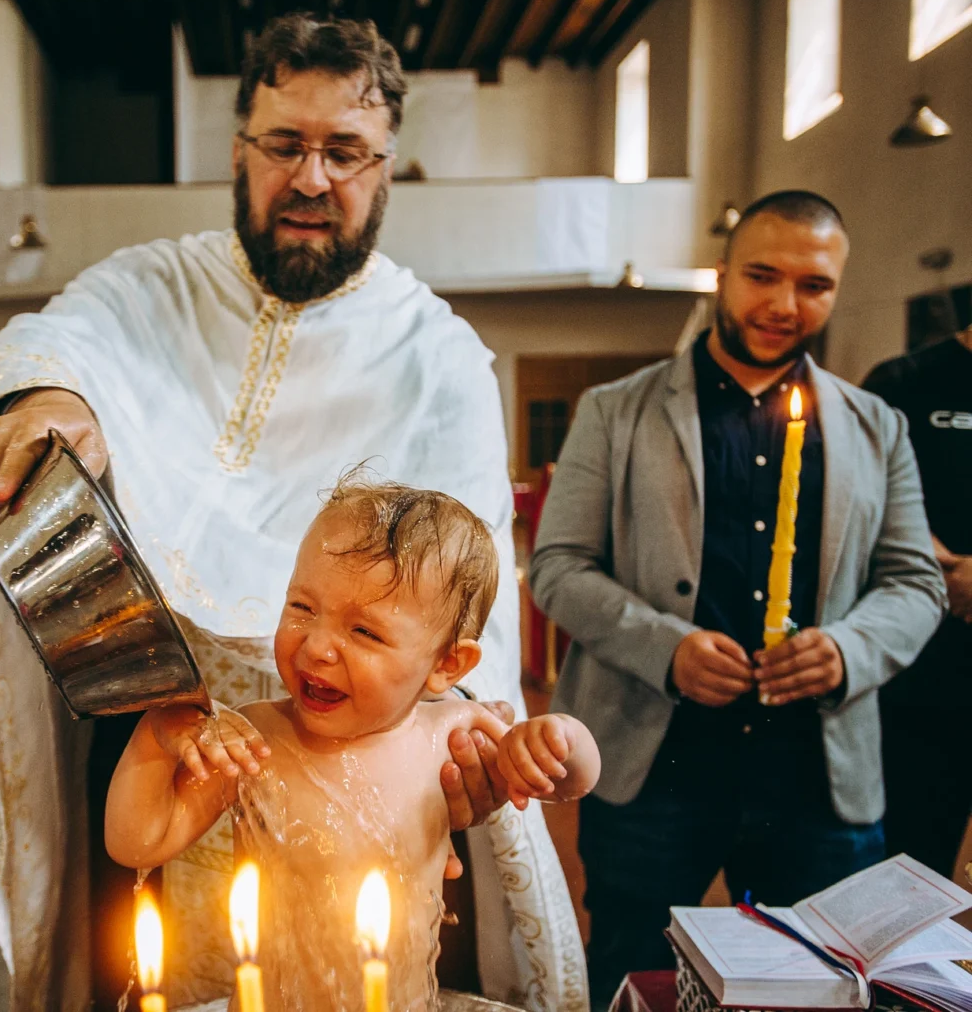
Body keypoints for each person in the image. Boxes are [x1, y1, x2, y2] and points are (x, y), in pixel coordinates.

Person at [0, 12, 586, 1012]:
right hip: (163, 745)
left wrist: (464, 765)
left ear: (387, 167)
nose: (313, 178)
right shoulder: (154, 285)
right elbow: (58, 341)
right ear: (239, 150)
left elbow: (465, 623)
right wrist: (47, 399)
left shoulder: (437, 353)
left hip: (366, 761)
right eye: (285, 145)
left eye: (346, 152)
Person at [531, 190, 947, 1007]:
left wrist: (848, 650)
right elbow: (558, 566)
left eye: (814, 285)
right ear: (721, 275)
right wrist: (666, 648)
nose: (785, 305)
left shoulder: (876, 426)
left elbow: (915, 580)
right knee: (629, 972)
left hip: (817, 778)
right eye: (763, 275)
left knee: (823, 992)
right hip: (656, 768)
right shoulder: (617, 412)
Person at [106, 477, 601, 1010]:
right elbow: (138, 843)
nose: (317, 646)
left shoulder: (452, 736)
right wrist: (155, 737)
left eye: (364, 632)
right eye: (302, 607)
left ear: (445, 665)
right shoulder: (255, 742)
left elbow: (571, 783)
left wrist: (559, 741)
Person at [863, 325, 972, 878]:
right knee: (908, 875)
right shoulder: (904, 383)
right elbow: (865, 501)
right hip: (925, 676)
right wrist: (945, 570)